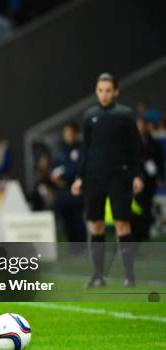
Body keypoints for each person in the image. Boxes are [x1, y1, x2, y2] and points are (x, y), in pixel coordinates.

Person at [71, 73, 143, 288]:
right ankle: (98, 275)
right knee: (96, 225)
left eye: (108, 90)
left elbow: (136, 148)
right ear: (96, 91)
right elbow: (86, 150)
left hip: (119, 178)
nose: (104, 94)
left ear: (116, 91)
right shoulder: (89, 116)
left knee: (122, 224)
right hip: (94, 178)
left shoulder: (125, 114)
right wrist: (79, 177)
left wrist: (137, 175)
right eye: (100, 90)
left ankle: (129, 275)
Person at [50, 122, 86, 242]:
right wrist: (55, 176)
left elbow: (77, 168)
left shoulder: (81, 149)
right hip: (62, 191)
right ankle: (72, 246)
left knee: (78, 219)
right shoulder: (61, 150)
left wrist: (62, 173)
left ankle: (81, 246)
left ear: (76, 134)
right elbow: (54, 168)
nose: (68, 136)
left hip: (76, 191)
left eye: (71, 133)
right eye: (66, 133)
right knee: (66, 220)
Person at [132, 117, 164, 241]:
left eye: (142, 125)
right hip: (133, 182)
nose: (140, 128)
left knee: (146, 210)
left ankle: (142, 236)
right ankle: (132, 237)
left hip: (149, 183)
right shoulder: (130, 143)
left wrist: (160, 177)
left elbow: (160, 162)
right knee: (134, 211)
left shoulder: (153, 143)